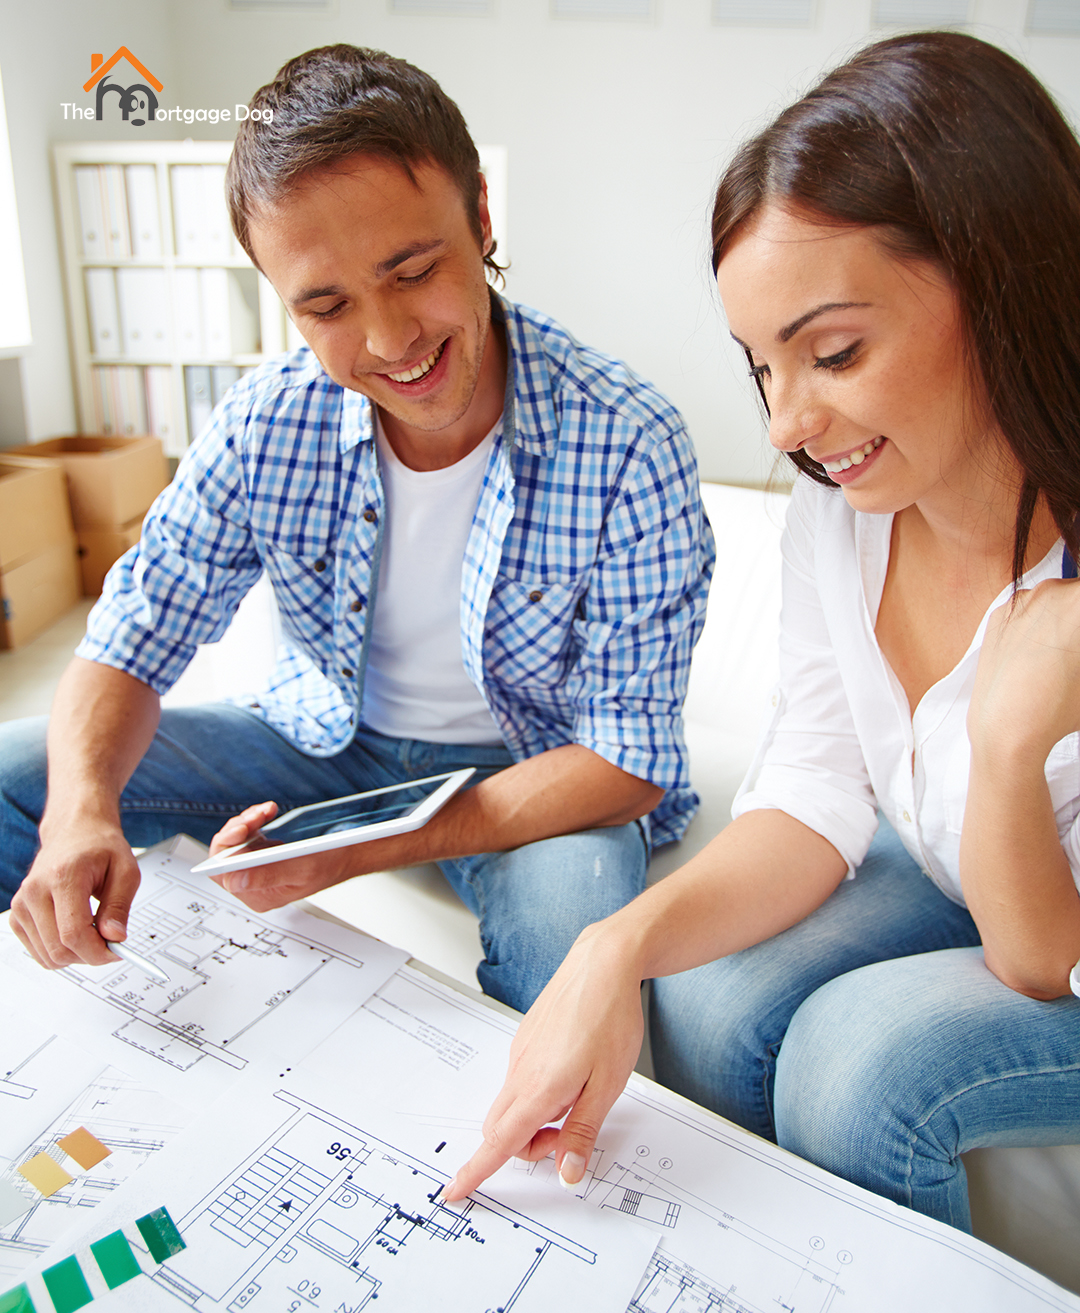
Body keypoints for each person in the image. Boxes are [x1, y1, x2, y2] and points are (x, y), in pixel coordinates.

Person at [444, 30, 1080, 1230]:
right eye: (763, 367)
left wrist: (1007, 749)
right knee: (701, 992)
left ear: (999, 281)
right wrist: (612, 944)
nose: (787, 425)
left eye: (833, 352)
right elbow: (814, 787)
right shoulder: (842, 515)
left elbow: (1043, 956)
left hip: (1059, 924)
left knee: (855, 1070)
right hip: (958, 866)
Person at [0, 45, 713, 1015]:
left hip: (538, 766)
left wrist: (352, 845)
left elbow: (628, 761)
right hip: (323, 737)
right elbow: (132, 631)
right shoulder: (267, 421)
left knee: (573, 963)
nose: (390, 340)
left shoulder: (628, 439)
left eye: (413, 270)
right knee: (27, 778)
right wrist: (80, 811)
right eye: (327, 306)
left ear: (482, 216)